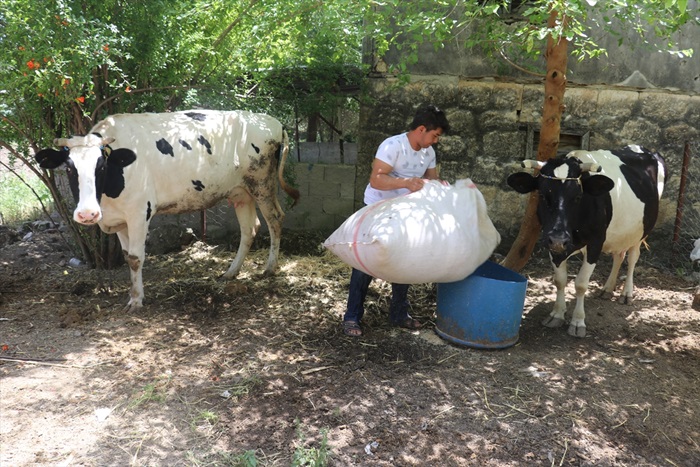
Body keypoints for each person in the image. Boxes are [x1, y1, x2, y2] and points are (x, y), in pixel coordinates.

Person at [342, 104, 450, 337]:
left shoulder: (428, 153)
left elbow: (431, 180)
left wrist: (441, 187)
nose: (435, 141)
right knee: (364, 263)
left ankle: (399, 313)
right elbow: (376, 180)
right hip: (376, 209)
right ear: (422, 129)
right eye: (435, 135)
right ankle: (352, 316)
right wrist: (406, 183)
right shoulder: (393, 145)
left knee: (404, 261)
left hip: (405, 213)